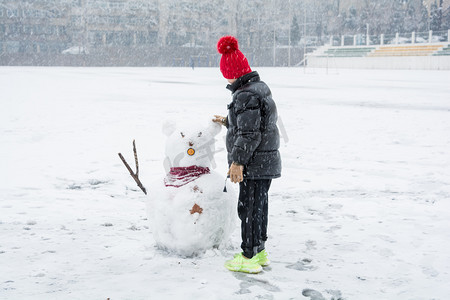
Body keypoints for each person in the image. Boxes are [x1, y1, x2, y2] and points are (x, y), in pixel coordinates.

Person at [213, 36, 281, 274]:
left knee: (249, 209)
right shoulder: (259, 88)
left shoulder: (244, 95)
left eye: (226, 74)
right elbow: (256, 125)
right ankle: (259, 251)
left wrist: (238, 162)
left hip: (253, 162)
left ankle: (248, 256)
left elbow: (250, 133)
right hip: (266, 161)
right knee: (259, 207)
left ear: (232, 73)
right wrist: (228, 121)